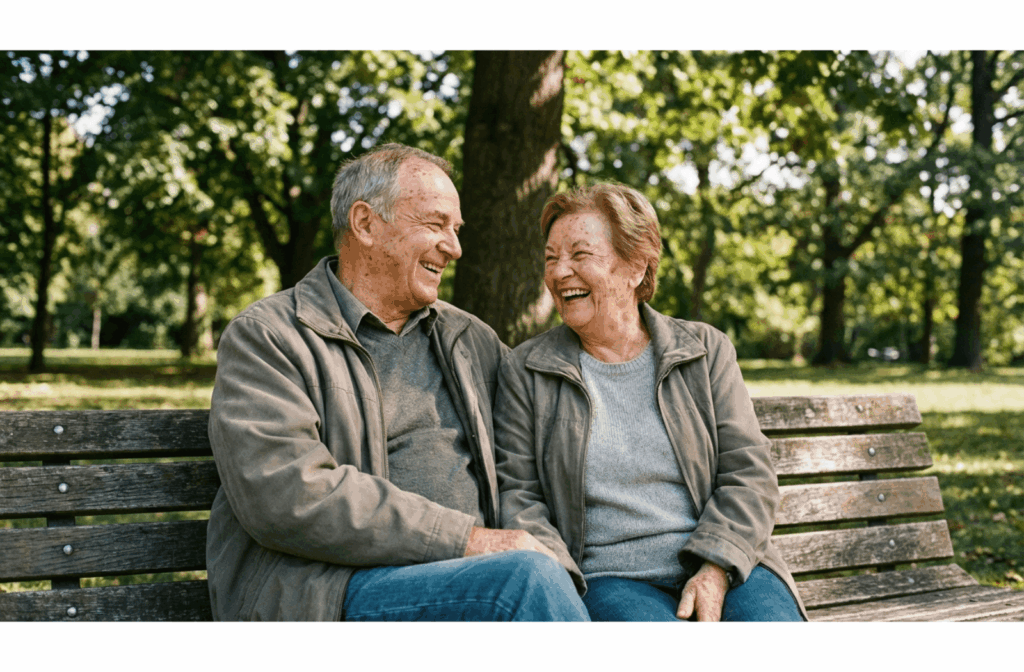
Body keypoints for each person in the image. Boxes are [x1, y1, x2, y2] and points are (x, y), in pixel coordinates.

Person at [205, 143, 588, 621]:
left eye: (456, 229)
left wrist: (559, 569)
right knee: (522, 582)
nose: (454, 247)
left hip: (472, 579)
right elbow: (287, 493)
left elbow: (522, 475)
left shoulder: (470, 339)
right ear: (365, 224)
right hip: (327, 594)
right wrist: (470, 541)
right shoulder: (270, 337)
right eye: (435, 224)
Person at [494, 183, 807, 621]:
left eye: (580, 255)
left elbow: (749, 473)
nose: (560, 272)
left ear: (636, 267)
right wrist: (561, 586)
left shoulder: (704, 350)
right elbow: (519, 496)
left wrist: (714, 568)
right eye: (551, 258)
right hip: (611, 579)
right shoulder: (526, 370)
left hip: (724, 563)